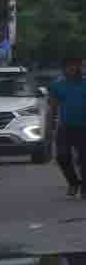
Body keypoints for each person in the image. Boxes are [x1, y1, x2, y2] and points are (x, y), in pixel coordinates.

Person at [49, 55, 86, 198]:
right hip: (65, 127)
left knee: (84, 159)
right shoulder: (57, 85)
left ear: (80, 68)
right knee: (62, 157)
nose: (72, 68)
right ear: (64, 69)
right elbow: (52, 108)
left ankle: (84, 188)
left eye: (76, 65)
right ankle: (74, 183)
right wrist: (50, 128)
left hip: (83, 127)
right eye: (69, 66)